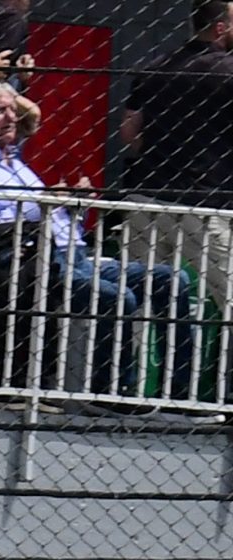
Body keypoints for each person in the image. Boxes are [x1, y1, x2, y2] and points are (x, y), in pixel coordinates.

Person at [0, 77, 196, 398]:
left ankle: (180, 392)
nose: (12, 117)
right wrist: (47, 202)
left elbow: (31, 114)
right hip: (37, 262)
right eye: (0, 112)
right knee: (118, 297)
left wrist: (70, 204)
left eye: (13, 109)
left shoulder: (19, 163)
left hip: (78, 253)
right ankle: (110, 391)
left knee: (172, 278)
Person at [118, 0, 233, 338]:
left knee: (139, 296)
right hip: (205, 201)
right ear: (220, 28)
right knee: (227, 292)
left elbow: (129, 132)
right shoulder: (228, 73)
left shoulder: (155, 68)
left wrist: (159, 153)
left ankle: (126, 380)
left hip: (146, 196)